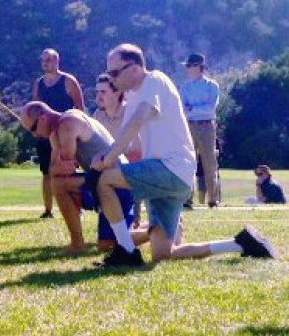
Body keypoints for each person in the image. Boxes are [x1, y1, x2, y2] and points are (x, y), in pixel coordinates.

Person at [92, 43, 277, 267]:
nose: (111, 79)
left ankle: (126, 252)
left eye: (114, 72)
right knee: (163, 254)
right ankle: (240, 244)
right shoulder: (133, 95)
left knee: (105, 181)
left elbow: (138, 120)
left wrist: (109, 159)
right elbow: (126, 135)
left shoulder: (154, 80)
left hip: (169, 168)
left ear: (133, 68)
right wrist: (104, 154)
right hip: (171, 175)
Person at [20, 101, 135, 254]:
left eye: (33, 129)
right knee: (105, 245)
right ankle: (78, 243)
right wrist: (56, 165)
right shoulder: (56, 133)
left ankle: (155, 232)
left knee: (59, 184)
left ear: (43, 119)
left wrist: (56, 166)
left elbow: (65, 168)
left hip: (119, 184)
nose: (35, 135)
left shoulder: (68, 123)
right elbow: (54, 169)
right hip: (101, 182)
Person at [31, 48, 85, 219]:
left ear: (56, 61)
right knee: (47, 172)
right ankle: (48, 210)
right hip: (45, 136)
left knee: (69, 171)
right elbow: (35, 108)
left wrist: (77, 131)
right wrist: (34, 128)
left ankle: (77, 208)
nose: (45, 63)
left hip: (66, 135)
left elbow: (80, 109)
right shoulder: (38, 84)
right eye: (43, 60)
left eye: (48, 59)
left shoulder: (69, 81)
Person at [93, 73, 144, 225]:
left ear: (117, 93)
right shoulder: (97, 115)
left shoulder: (131, 113)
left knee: (129, 230)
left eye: (103, 92)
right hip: (106, 171)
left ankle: (135, 222)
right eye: (97, 92)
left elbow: (138, 153)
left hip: (131, 171)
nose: (98, 97)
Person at [179, 53, 221, 208]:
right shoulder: (184, 87)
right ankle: (187, 198)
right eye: (188, 66)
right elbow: (183, 109)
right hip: (189, 126)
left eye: (191, 66)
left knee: (209, 162)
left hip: (207, 126)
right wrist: (196, 109)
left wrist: (193, 109)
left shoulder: (212, 86)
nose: (188, 69)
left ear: (200, 67)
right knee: (188, 162)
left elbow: (210, 109)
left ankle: (212, 199)